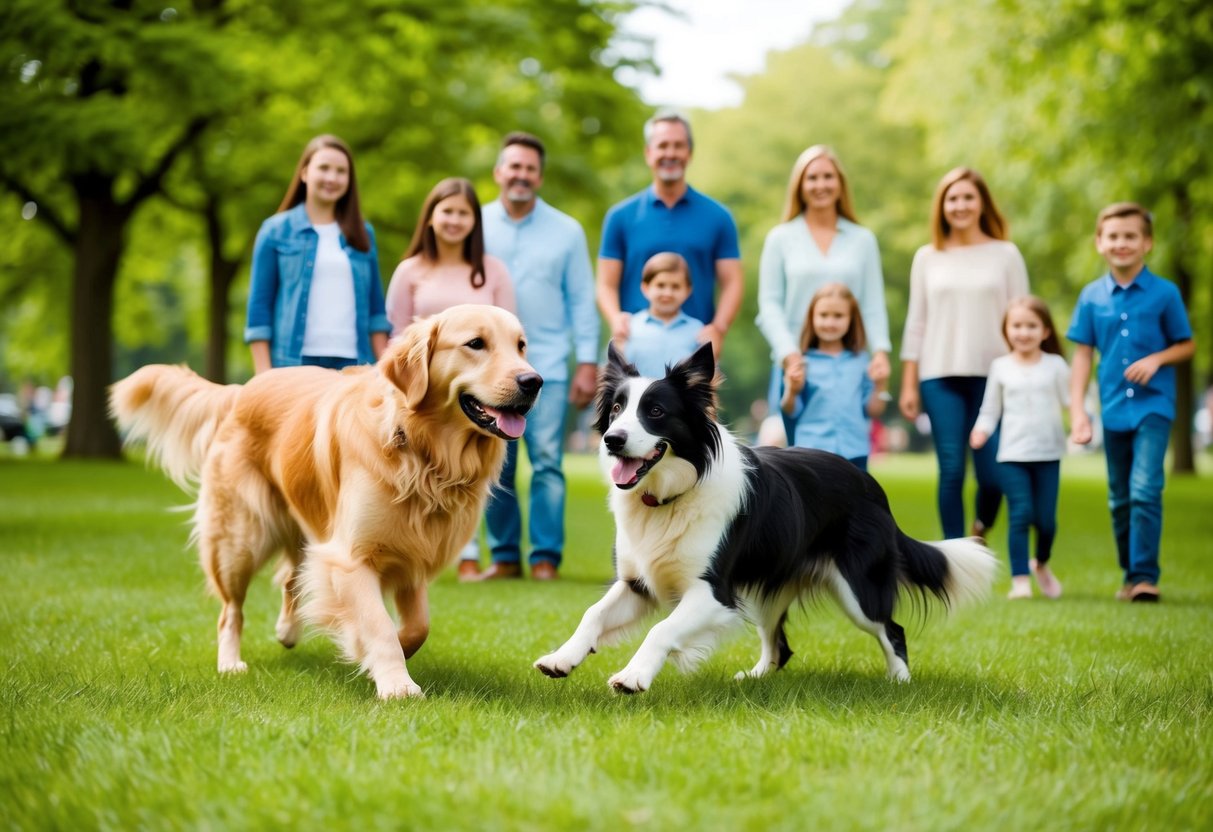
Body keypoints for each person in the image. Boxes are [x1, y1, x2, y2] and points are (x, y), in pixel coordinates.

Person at [477, 131, 600, 582]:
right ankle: (505, 556)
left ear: (540, 177)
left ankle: (546, 558)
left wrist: (587, 362)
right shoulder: (477, 224)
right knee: (495, 461)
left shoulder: (566, 231)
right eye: (514, 167)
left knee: (547, 461)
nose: (521, 175)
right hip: (489, 369)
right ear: (499, 173)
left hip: (546, 364)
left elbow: (581, 301)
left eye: (530, 169)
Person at [1068, 202, 1194, 603]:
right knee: (1119, 498)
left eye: (1131, 236)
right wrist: (1077, 411)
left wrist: (1157, 359)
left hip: (1154, 407)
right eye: (1114, 236)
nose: (1122, 243)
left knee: (1144, 489)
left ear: (1147, 243)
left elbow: (1187, 344)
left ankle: (1144, 578)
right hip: (1113, 409)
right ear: (1100, 243)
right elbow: (1083, 355)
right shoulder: (1091, 297)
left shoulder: (1165, 293)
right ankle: (1130, 576)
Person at [899, 167, 1029, 540]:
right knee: (952, 468)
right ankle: (955, 556)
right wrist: (909, 384)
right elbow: (916, 322)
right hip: (939, 375)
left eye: (968, 197)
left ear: (982, 203)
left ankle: (980, 528)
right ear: (942, 206)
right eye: (952, 198)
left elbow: (1022, 315)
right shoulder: (927, 257)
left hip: (996, 377)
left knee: (993, 476)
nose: (960, 205)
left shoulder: (1006, 255)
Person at [757, 145, 891, 445]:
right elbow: (769, 304)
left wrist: (880, 350)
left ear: (840, 183)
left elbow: (872, 303)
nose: (820, 185)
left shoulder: (862, 239)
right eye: (812, 178)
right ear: (800, 185)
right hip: (795, 362)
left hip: (848, 362)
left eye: (828, 177)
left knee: (846, 451)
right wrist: (788, 353)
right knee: (793, 461)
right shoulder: (781, 238)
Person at [596, 110, 743, 358]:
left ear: (689, 153)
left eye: (678, 146)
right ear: (648, 153)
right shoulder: (620, 216)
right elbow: (605, 283)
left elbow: (733, 282)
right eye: (662, 146)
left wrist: (718, 328)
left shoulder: (718, 216)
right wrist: (615, 319)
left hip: (693, 351)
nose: (670, 153)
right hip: (634, 349)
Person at [245, 135, 390, 373]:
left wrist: (383, 369)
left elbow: (376, 313)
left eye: (341, 171)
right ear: (304, 173)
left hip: (356, 365)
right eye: (324, 168)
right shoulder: (275, 231)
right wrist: (264, 377)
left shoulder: (364, 233)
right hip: (293, 364)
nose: (332, 178)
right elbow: (258, 312)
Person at [970, 296, 1069, 600]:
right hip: (1012, 454)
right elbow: (990, 410)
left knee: (1046, 521)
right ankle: (1021, 581)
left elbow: (1071, 402)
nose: (1023, 332)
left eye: (1031, 326)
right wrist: (981, 430)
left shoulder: (1056, 365)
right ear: (1006, 330)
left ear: (1045, 331)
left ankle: (1041, 562)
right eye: (1016, 326)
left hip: (1048, 453)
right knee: (1021, 514)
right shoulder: (1000, 367)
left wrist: (1083, 422)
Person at [384, 177, 514, 336]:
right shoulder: (408, 270)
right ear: (430, 217)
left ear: (475, 220)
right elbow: (397, 335)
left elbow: (508, 332)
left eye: (463, 213)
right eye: (447, 211)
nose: (455, 220)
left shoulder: (495, 270)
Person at [780, 283, 888, 471]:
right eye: (823, 315)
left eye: (838, 316)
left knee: (855, 500)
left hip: (854, 451)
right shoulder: (801, 362)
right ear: (812, 317)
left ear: (851, 319)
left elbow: (872, 411)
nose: (830, 322)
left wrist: (880, 385)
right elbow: (790, 410)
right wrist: (791, 390)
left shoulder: (861, 361)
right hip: (812, 452)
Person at [619, 252, 703, 378]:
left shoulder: (698, 330)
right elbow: (615, 374)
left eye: (676, 287)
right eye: (660, 285)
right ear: (645, 288)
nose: (667, 293)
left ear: (687, 290)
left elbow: (705, 380)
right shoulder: (629, 327)